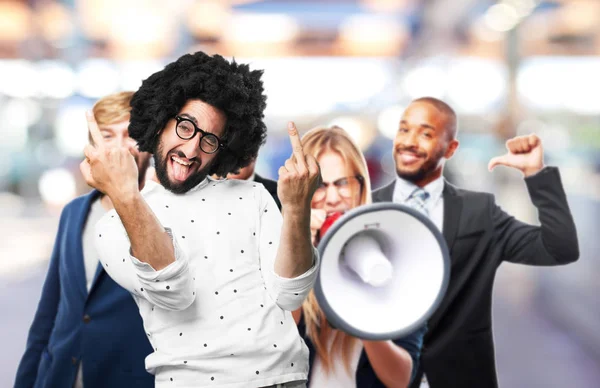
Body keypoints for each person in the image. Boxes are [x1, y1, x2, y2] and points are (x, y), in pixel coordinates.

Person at [80, 52, 321, 388]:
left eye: (209, 140)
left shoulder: (252, 197)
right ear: (161, 119)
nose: (192, 150)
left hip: (284, 380)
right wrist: (124, 195)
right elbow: (173, 291)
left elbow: (291, 295)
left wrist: (297, 208)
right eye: (185, 126)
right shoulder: (113, 226)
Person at [372, 96, 580, 388]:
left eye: (426, 133)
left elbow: (559, 248)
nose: (409, 141)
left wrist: (536, 174)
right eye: (404, 130)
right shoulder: (365, 211)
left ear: (451, 148)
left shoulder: (479, 213)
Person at [15, 92, 154, 388]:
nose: (118, 146)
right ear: (92, 145)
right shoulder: (75, 212)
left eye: (131, 134)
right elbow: (49, 312)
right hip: (60, 376)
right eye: (107, 135)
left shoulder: (165, 216)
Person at [292, 125, 426, 388]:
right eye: (317, 185)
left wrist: (364, 312)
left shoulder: (397, 255)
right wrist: (298, 250)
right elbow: (275, 341)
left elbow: (401, 379)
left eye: (342, 183)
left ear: (361, 185)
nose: (332, 198)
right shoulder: (282, 254)